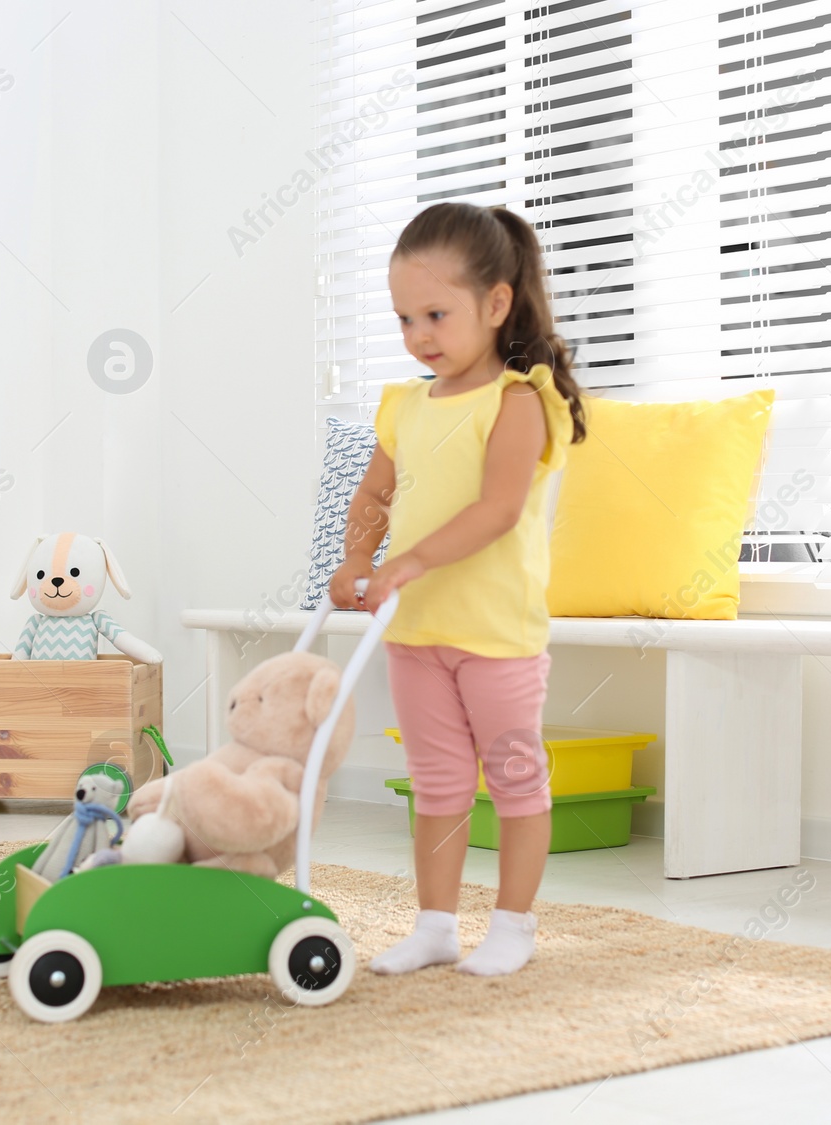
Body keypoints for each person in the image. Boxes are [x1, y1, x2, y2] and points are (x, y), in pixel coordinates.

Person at [330, 201, 587, 976]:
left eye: (436, 314)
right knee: (438, 782)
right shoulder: (404, 404)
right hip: (415, 633)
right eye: (406, 318)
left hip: (495, 632)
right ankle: (436, 923)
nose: (419, 336)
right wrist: (354, 561)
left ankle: (513, 924)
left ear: (497, 302)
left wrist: (407, 563)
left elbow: (498, 509)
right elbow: (373, 497)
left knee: (513, 776)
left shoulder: (518, 400)